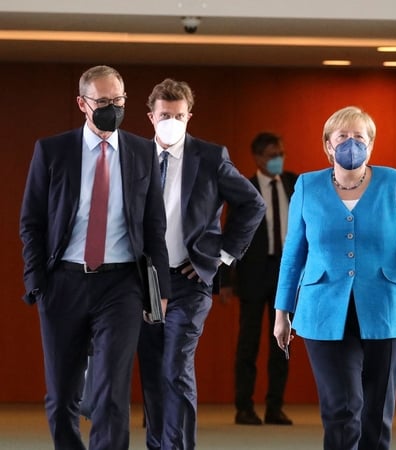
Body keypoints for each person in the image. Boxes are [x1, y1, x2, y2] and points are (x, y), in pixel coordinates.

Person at [273, 105, 396, 450]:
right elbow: (294, 254)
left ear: (371, 144)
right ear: (327, 145)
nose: (351, 143)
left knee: (376, 413)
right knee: (341, 408)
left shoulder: (394, 182)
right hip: (323, 309)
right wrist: (282, 312)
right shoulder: (307, 186)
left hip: (385, 307)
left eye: (359, 137)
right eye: (342, 137)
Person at [19, 64, 171, 450]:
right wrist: (38, 282)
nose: (113, 108)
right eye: (103, 101)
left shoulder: (141, 151)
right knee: (61, 395)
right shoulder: (53, 150)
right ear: (82, 104)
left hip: (120, 285)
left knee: (110, 391)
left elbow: (154, 225)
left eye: (119, 100)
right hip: (64, 282)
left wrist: (160, 290)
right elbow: (31, 221)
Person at [137, 78, 266, 450]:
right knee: (152, 371)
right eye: (165, 115)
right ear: (151, 116)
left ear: (189, 116)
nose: (171, 121)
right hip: (144, 282)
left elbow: (253, 204)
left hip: (189, 281)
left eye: (179, 115)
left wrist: (222, 255)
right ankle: (158, 444)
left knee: (176, 368)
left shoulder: (210, 157)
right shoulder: (132, 156)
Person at [219, 132, 297, 426]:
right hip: (252, 275)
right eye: (272, 155)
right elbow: (230, 237)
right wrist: (225, 280)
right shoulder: (245, 189)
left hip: (286, 274)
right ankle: (244, 407)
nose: (278, 159)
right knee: (248, 344)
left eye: (281, 154)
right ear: (258, 158)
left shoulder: (294, 183)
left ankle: (275, 407)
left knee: (282, 343)